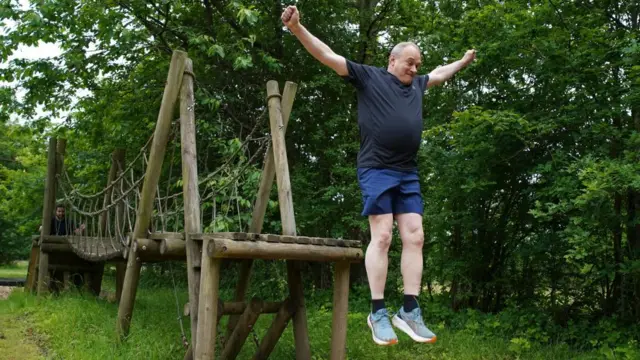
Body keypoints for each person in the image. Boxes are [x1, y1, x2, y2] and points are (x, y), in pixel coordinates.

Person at [281, 6, 476, 346]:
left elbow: (441, 73)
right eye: (410, 62)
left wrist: (462, 60)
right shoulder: (369, 77)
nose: (415, 68)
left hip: (407, 172)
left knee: (415, 236)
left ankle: (410, 311)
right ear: (392, 60)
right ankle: (378, 312)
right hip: (376, 168)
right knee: (383, 236)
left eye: (418, 64)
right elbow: (327, 55)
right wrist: (298, 28)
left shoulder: (418, 84)